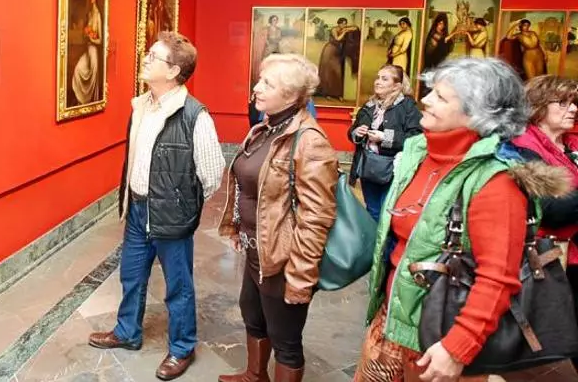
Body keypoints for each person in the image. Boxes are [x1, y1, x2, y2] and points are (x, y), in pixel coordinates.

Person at [356, 58, 571, 381]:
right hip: (391, 321)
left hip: (441, 332)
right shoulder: (418, 152)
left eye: (441, 97)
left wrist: (458, 347)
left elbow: (498, 277)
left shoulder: (496, 180)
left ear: (477, 113)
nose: (426, 100)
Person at [88, 31, 225, 381]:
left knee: (178, 286)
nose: (145, 60)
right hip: (138, 210)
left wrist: (181, 206)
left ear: (174, 71)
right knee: (131, 275)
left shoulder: (195, 116)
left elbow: (212, 174)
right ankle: (127, 332)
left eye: (153, 57)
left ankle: (182, 347)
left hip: (171, 217)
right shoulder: (141, 106)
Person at [218, 53, 338, 382]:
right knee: (253, 316)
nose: (256, 87)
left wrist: (301, 276)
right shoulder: (265, 128)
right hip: (256, 249)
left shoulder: (309, 141)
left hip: (284, 259)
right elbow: (250, 187)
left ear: (291, 94)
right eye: (259, 80)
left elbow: (316, 218)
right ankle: (255, 375)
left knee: (285, 339)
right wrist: (237, 227)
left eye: (267, 83)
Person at [512, 75, 578, 371]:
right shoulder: (523, 146)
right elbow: (551, 209)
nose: (573, 108)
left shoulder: (572, 143)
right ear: (538, 105)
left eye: (574, 102)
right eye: (562, 102)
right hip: (553, 259)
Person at [348, 65, 423, 221]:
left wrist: (384, 137)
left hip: (393, 169)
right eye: (378, 77)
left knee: (387, 213)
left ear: (396, 86)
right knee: (372, 211)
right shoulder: (369, 105)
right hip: (368, 167)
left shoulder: (408, 107)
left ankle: (383, 238)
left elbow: (416, 138)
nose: (378, 82)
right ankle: (372, 236)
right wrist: (357, 132)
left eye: (384, 79)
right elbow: (352, 132)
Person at [72, 0, 102, 104]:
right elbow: (85, 33)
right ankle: (82, 103)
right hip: (87, 50)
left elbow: (100, 40)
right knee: (77, 70)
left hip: (93, 52)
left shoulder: (98, 15)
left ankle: (90, 104)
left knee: (92, 81)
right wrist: (86, 34)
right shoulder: (89, 14)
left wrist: (91, 39)